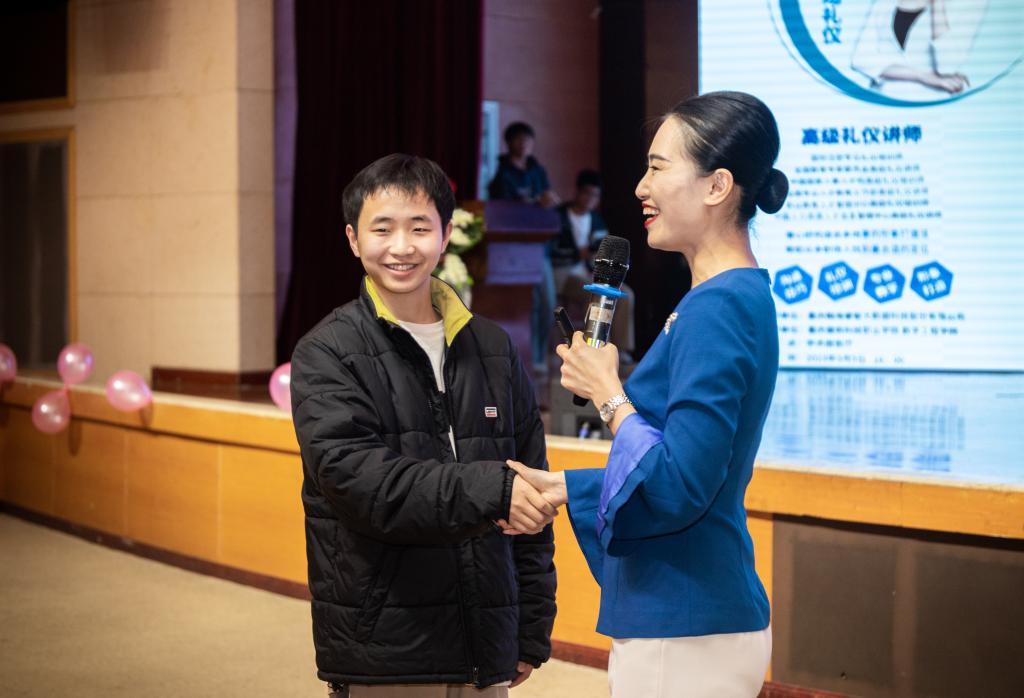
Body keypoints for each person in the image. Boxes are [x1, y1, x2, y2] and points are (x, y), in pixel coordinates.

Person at [500, 91, 790, 697]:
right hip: (689, 612)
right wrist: (569, 486)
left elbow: (680, 485)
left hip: (684, 617)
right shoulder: (728, 297)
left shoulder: (719, 307)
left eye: (658, 168)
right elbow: (678, 461)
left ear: (717, 186)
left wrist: (608, 394)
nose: (640, 187)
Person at [290, 154, 557, 697]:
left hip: (485, 646)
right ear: (352, 239)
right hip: (388, 644)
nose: (402, 246)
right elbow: (363, 484)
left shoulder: (494, 348)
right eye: (381, 229)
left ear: (446, 234)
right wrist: (493, 488)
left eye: (419, 227)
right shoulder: (326, 351)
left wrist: (529, 626)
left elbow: (531, 494)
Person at [546, 169, 635, 363]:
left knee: (626, 294)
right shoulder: (559, 215)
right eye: (587, 193)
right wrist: (579, 253)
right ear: (577, 192)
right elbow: (550, 250)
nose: (590, 199)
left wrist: (593, 257)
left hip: (592, 273)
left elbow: (601, 250)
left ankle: (621, 349)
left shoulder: (596, 220)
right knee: (597, 295)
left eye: (595, 195)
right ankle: (596, 348)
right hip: (564, 273)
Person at [487, 121, 560, 208]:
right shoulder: (501, 172)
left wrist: (551, 200)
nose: (523, 143)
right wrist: (536, 202)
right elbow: (503, 206)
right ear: (508, 142)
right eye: (518, 139)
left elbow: (546, 193)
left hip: (539, 215)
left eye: (527, 139)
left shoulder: (538, 170)